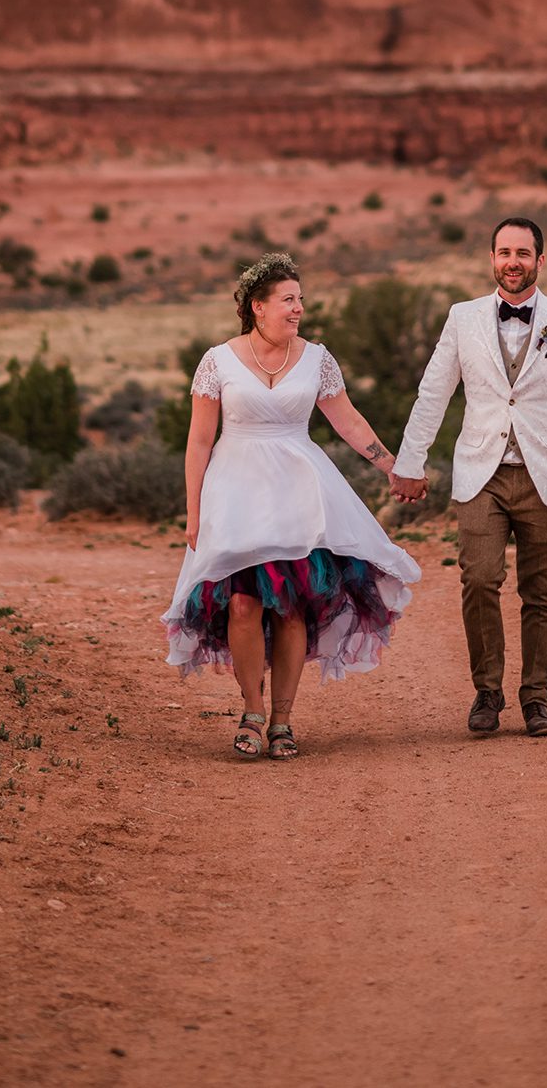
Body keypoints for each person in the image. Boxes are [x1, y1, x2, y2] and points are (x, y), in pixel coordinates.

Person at [162, 252, 421, 760]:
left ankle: (283, 717)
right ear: (257, 307)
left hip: (300, 493)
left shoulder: (317, 358)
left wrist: (393, 466)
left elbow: (347, 421)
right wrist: (193, 511)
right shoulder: (218, 360)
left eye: (300, 299)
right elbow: (198, 442)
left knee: (292, 606)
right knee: (241, 603)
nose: (298, 308)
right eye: (288, 300)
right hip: (235, 492)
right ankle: (251, 710)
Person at [391, 217, 547, 739]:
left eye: (523, 253)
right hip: (480, 472)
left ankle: (537, 699)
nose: (513, 261)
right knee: (480, 579)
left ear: (540, 260)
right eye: (504, 252)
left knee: (541, 591)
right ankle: (488, 692)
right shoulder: (462, 318)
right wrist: (409, 461)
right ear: (492, 259)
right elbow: (434, 391)